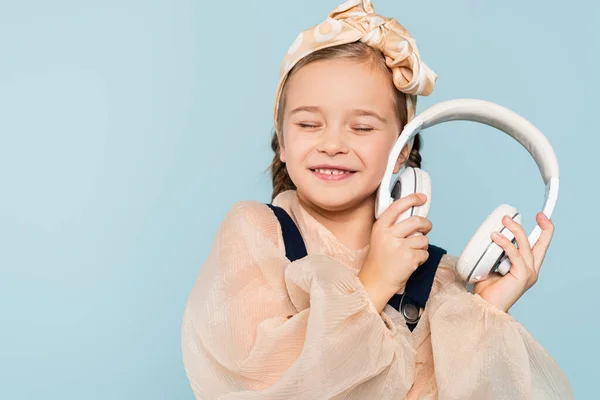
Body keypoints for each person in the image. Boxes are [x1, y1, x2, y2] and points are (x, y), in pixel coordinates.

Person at [181, 1, 573, 398]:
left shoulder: (439, 279)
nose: (332, 144)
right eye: (308, 124)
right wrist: (373, 283)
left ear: (402, 149)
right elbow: (257, 383)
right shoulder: (257, 236)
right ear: (282, 140)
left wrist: (486, 312)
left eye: (362, 127)